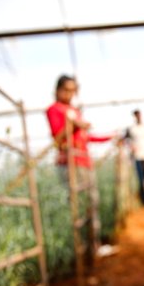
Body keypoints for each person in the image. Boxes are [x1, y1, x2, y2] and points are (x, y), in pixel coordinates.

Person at [46, 75, 113, 254]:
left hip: (84, 161)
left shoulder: (73, 110)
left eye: (72, 91)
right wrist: (74, 126)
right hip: (70, 163)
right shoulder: (54, 110)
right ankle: (80, 248)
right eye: (66, 90)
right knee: (78, 207)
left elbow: (85, 137)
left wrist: (110, 136)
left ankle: (94, 246)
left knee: (92, 203)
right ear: (58, 90)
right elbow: (58, 139)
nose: (69, 94)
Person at [125, 109, 144, 206]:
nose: (138, 117)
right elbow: (126, 140)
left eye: (139, 115)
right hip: (138, 158)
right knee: (142, 181)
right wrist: (131, 146)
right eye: (136, 115)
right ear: (134, 117)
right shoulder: (130, 129)